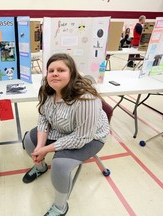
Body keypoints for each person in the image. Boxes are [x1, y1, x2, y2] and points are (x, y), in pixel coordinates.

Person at [22, 53, 110, 216]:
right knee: (29, 140)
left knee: (60, 165)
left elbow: (82, 137)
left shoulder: (86, 99)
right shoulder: (47, 91)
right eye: (51, 70)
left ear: (71, 74)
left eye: (61, 70)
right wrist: (40, 146)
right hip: (61, 128)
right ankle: (40, 167)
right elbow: (43, 119)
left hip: (90, 136)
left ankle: (60, 206)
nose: (54, 73)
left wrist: (46, 149)